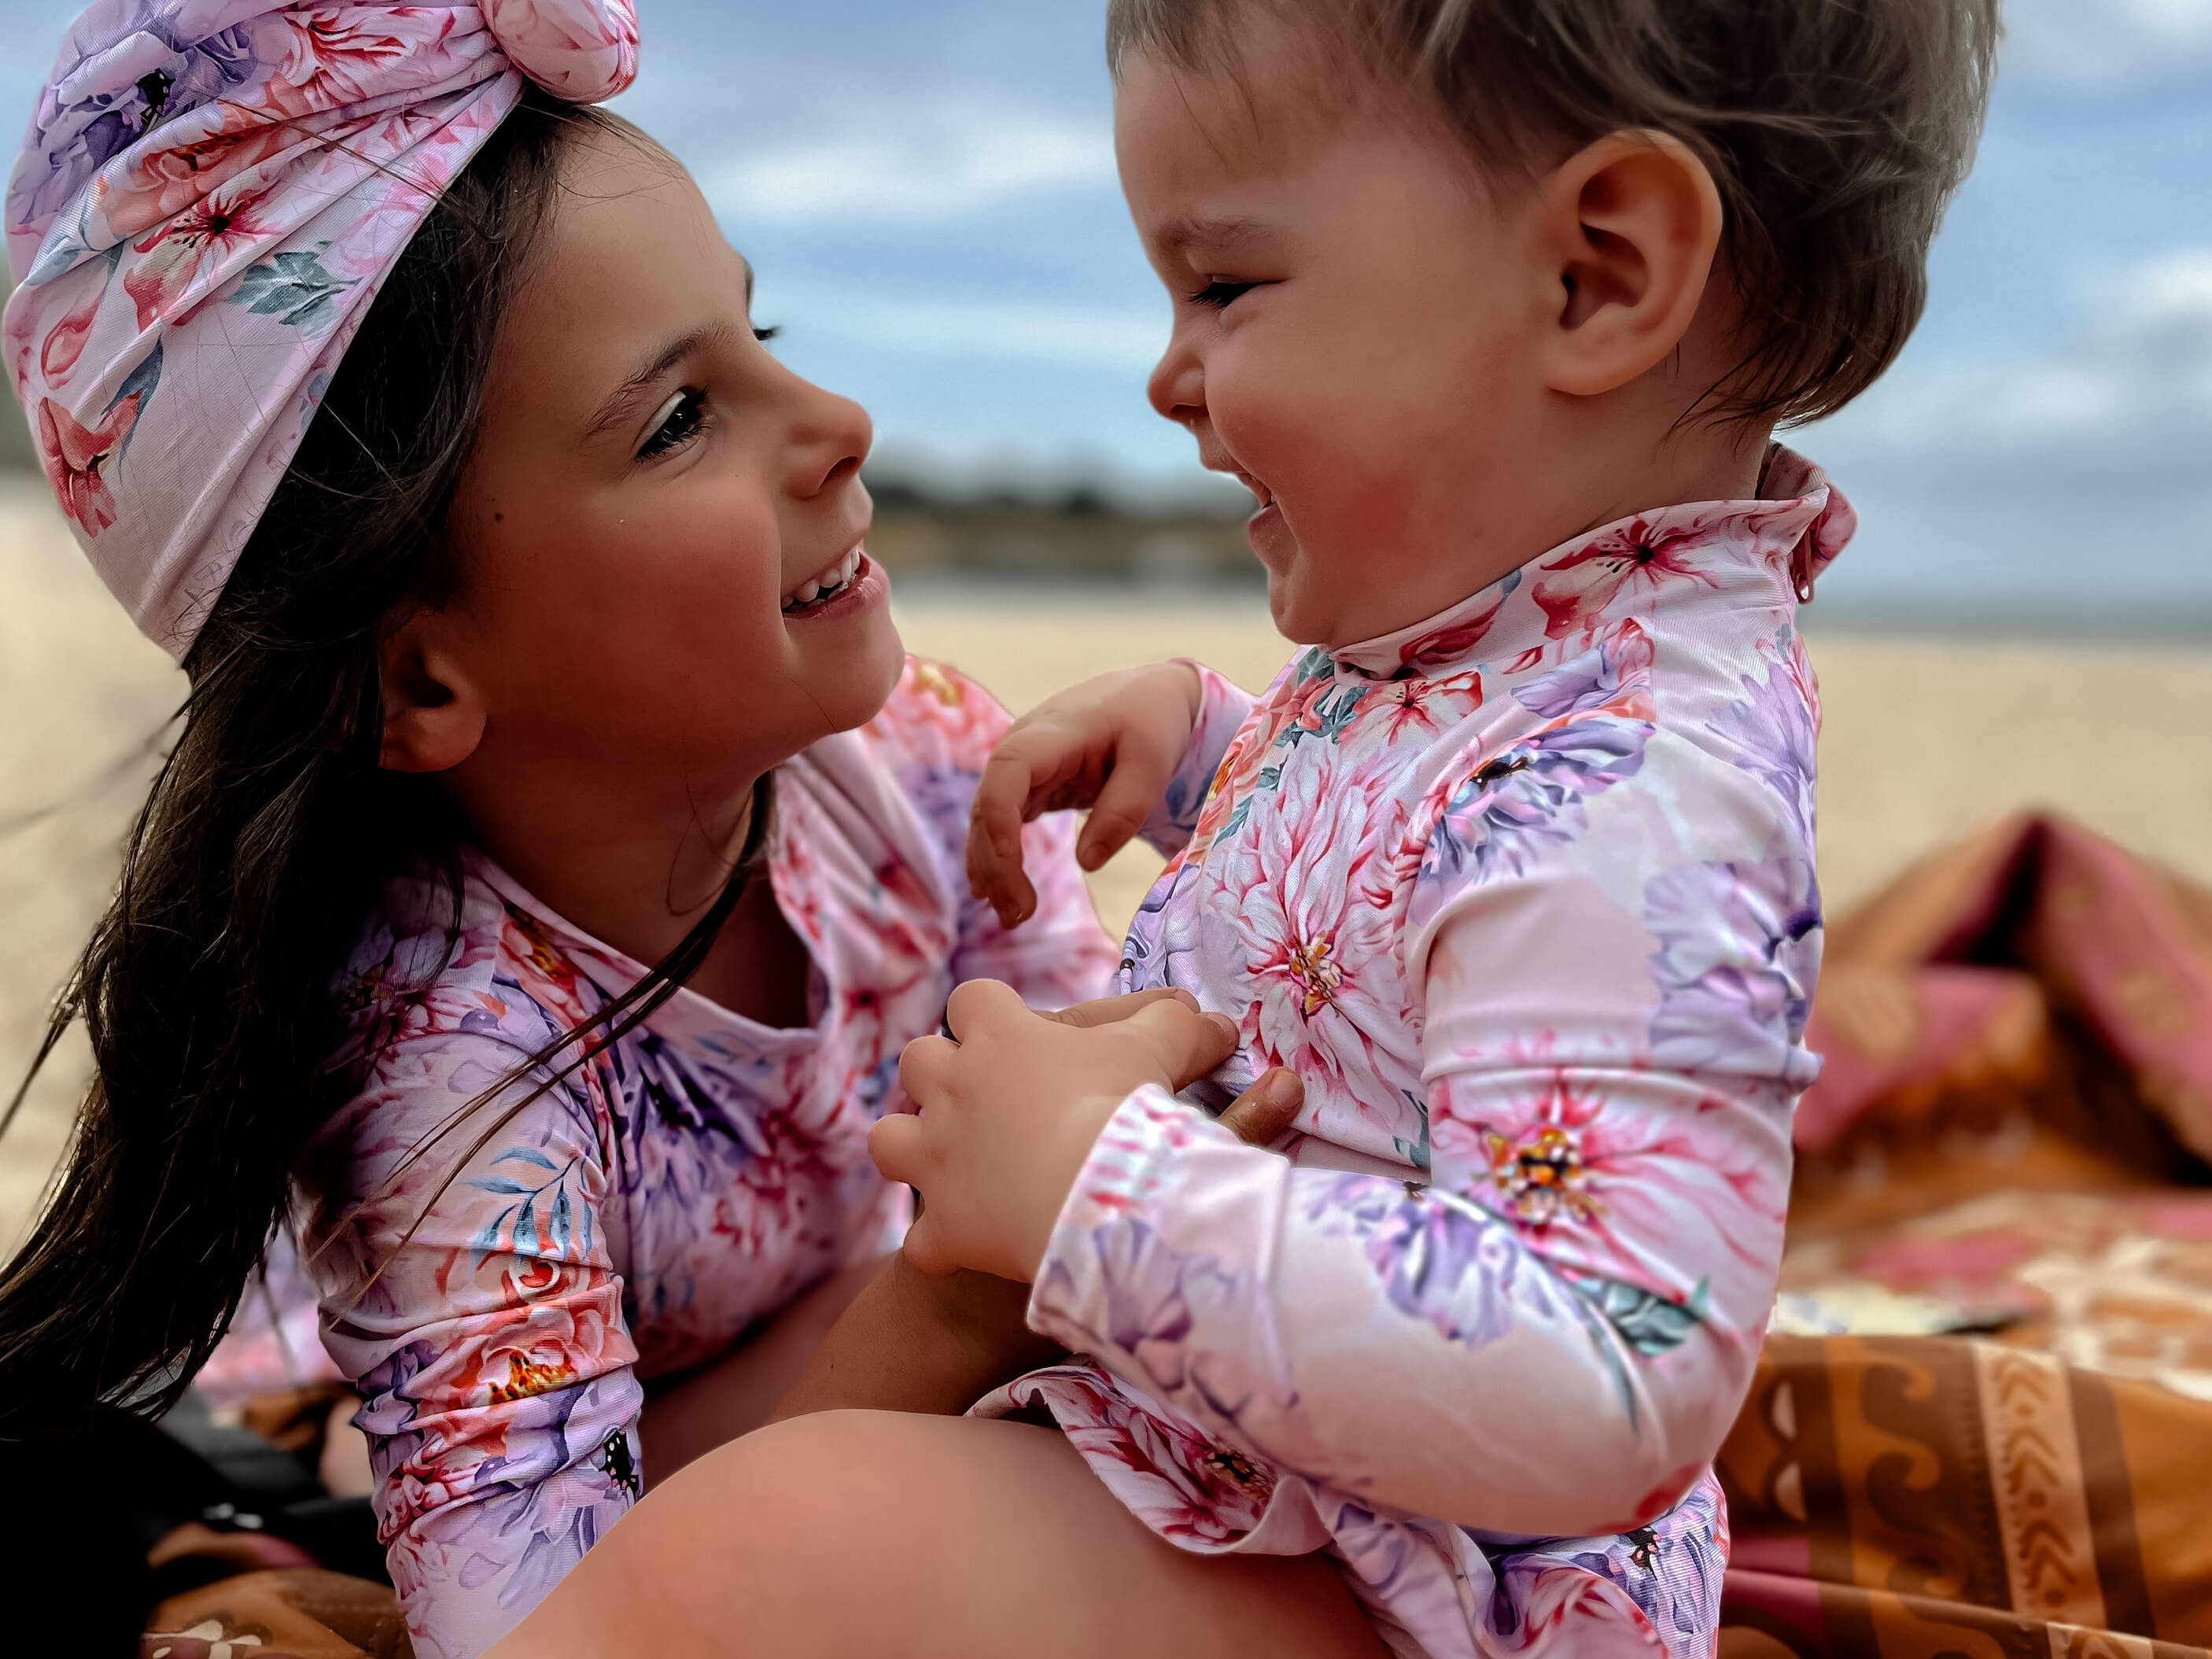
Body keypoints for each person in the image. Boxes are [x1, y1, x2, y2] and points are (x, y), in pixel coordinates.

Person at [477, 2, 1997, 1657]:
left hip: (1430, 1585)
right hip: (1289, 1495)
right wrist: (1217, 751)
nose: (1166, 378)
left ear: (1597, 276)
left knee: (770, 1546)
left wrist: (1093, 1185)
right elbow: (1420, 903)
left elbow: (1614, 1372)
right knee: (807, 1503)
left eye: (1222, 288)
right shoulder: (1506, 658)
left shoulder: (1646, 784)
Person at [1, 4, 1311, 1654]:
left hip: (806, 1387)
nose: (837, 418)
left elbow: (1148, 1111)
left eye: (762, 331)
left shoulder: (920, 767)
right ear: (416, 671)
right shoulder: (447, 1064)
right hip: (590, 1440)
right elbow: (545, 1622)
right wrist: (965, 1285)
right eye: (679, 417)